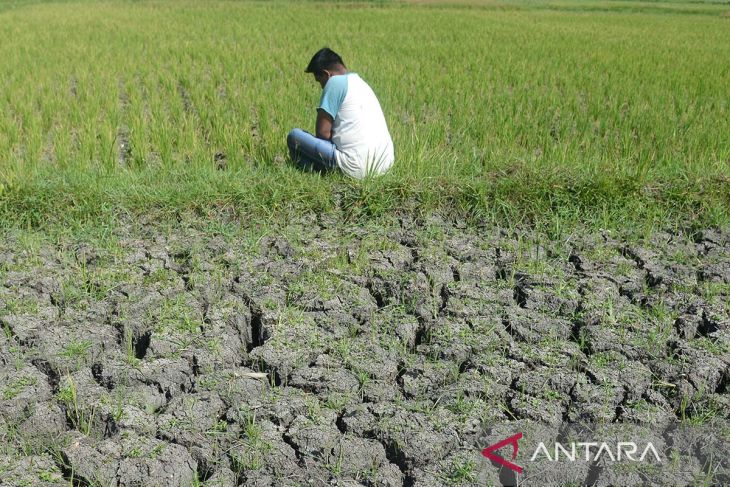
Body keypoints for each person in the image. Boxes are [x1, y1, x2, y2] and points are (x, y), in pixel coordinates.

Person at [287, 48, 394, 179]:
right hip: (385, 166)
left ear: (326, 74)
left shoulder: (334, 82)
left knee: (294, 136)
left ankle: (311, 172)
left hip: (357, 168)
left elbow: (323, 133)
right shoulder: (361, 83)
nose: (322, 87)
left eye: (319, 81)